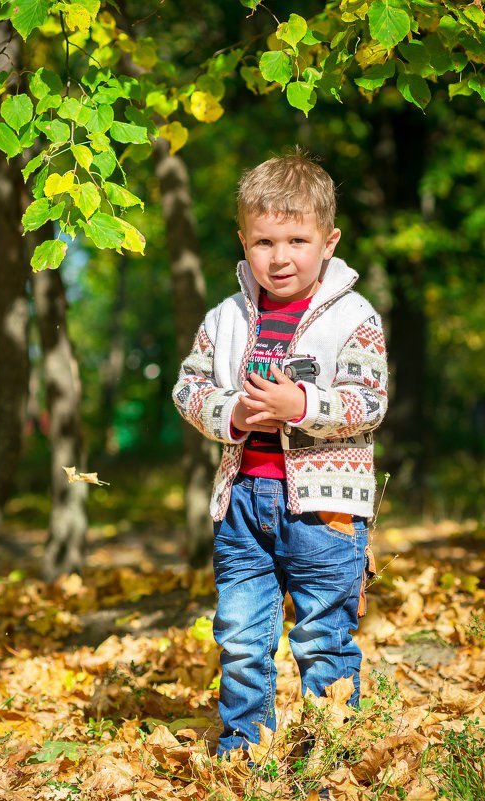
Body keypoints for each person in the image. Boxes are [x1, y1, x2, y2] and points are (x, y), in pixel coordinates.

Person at [172, 149, 388, 757]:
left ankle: (332, 754)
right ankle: (244, 748)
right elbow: (188, 387)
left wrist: (301, 405)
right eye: (265, 241)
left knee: (324, 637)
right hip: (242, 503)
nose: (281, 256)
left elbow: (369, 402)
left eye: (297, 239)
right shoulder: (226, 318)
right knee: (241, 635)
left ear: (329, 240)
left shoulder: (352, 316)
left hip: (327, 512)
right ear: (243, 241)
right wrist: (232, 415)